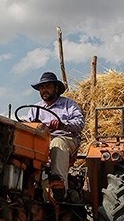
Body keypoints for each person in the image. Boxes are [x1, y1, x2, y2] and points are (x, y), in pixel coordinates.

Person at [30, 72, 85, 200]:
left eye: (48, 87)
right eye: (42, 88)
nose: (44, 90)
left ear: (56, 88)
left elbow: (79, 123)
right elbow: (29, 125)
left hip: (66, 139)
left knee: (57, 143)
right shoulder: (35, 108)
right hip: (42, 141)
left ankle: (58, 184)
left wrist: (62, 125)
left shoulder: (69, 105)